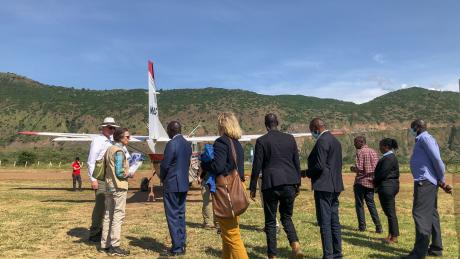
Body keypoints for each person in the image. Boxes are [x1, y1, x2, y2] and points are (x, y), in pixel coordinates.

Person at [249, 113, 303, 259]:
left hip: (271, 184)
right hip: (290, 182)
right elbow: (296, 162)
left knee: (271, 221)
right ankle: (296, 246)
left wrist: (252, 187)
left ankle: (272, 256)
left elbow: (257, 166)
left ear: (266, 125)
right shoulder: (290, 138)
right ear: (277, 123)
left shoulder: (262, 141)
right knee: (286, 217)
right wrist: (298, 183)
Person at [201, 112, 249, 259]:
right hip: (236, 190)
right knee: (228, 232)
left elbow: (218, 167)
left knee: (232, 236)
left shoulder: (221, 142)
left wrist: (205, 163)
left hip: (225, 193)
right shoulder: (237, 144)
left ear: (222, 125)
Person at [402, 119, 450, 259]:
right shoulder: (422, 140)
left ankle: (419, 253)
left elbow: (437, 160)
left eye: (412, 127)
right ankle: (436, 248)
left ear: (417, 127)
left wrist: (442, 179)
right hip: (428, 182)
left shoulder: (425, 138)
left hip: (425, 182)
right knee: (431, 214)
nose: (411, 130)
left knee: (420, 214)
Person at [303, 118, 344, 259]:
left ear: (316, 128)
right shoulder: (335, 141)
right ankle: (337, 253)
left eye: (311, 130)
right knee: (334, 221)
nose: (311, 133)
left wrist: (306, 173)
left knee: (325, 222)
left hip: (324, 186)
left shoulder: (322, 141)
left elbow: (320, 165)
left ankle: (328, 255)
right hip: (335, 185)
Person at [160, 121, 192, 256]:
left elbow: (165, 165)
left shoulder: (171, 144)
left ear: (171, 130)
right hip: (183, 183)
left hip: (172, 183)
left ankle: (177, 248)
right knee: (180, 214)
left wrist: (162, 177)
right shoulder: (187, 144)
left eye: (168, 130)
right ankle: (182, 242)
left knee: (172, 215)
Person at [100, 127, 131, 256]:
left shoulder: (109, 149)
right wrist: (129, 173)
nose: (129, 139)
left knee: (108, 215)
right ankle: (115, 245)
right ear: (120, 138)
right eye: (127, 137)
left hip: (109, 186)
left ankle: (104, 244)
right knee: (118, 216)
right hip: (118, 187)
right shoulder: (119, 151)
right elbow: (119, 172)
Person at [87, 117, 118, 242]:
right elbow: (91, 160)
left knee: (108, 205)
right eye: (110, 127)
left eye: (113, 128)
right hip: (100, 177)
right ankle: (95, 231)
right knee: (100, 205)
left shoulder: (110, 141)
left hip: (108, 177)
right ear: (103, 127)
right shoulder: (98, 140)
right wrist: (93, 179)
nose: (112, 130)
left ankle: (102, 230)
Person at [350, 136, 382, 233]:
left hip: (361, 182)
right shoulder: (373, 151)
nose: (354, 144)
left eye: (355, 142)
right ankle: (378, 226)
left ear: (361, 142)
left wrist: (352, 169)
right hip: (371, 182)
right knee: (371, 204)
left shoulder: (360, 152)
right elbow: (377, 167)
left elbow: (359, 168)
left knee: (359, 205)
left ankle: (362, 226)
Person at [373, 138, 400, 244]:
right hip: (388, 186)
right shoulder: (388, 157)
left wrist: (374, 181)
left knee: (390, 212)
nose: (379, 148)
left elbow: (382, 174)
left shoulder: (388, 158)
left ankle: (394, 237)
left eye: (380, 145)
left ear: (386, 146)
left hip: (387, 186)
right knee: (389, 212)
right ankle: (390, 235)